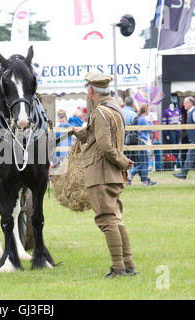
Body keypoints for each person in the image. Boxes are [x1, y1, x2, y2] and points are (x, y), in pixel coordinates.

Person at [73, 72, 138, 279]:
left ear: (91, 91)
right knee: (117, 220)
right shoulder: (115, 109)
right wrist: (77, 131)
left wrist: (122, 162)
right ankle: (128, 265)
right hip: (111, 174)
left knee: (107, 220)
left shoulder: (100, 112)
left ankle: (118, 268)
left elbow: (105, 147)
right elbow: (96, 136)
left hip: (101, 173)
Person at [127, 104, 157, 186]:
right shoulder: (143, 119)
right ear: (145, 110)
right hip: (143, 142)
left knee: (143, 163)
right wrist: (151, 121)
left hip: (138, 142)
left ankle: (144, 180)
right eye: (148, 109)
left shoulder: (137, 118)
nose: (149, 111)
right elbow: (150, 129)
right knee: (145, 163)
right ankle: (131, 176)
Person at [162, 103, 182, 169]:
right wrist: (166, 134)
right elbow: (164, 123)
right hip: (171, 130)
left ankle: (178, 163)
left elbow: (180, 118)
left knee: (178, 146)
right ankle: (174, 163)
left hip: (178, 130)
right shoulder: (166, 111)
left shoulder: (177, 110)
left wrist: (179, 123)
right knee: (173, 146)